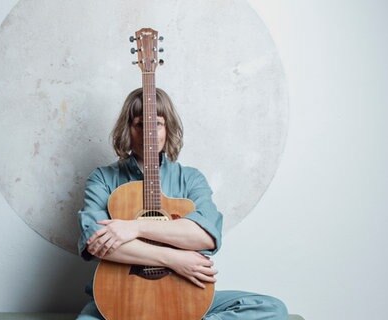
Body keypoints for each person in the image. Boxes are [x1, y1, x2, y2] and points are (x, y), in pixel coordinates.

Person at [76, 88, 287, 319]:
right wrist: (173, 259)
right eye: (140, 125)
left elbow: (206, 236)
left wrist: (134, 227)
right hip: (119, 296)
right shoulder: (103, 178)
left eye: (156, 123)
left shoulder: (190, 179)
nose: (149, 133)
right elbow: (94, 241)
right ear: (128, 130)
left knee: (271, 309)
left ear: (168, 128)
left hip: (184, 291)